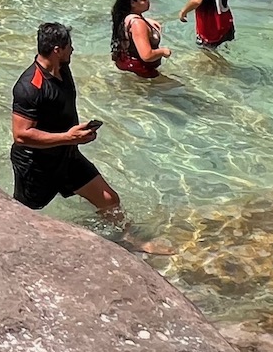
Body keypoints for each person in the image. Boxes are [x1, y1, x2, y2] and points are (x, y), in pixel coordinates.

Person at [9, 22, 169, 253]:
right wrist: (68, 136)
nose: (72, 50)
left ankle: (129, 242)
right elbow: (21, 135)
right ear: (57, 50)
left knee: (109, 199)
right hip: (36, 165)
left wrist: (75, 135)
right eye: (69, 46)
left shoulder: (63, 69)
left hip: (67, 155)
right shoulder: (29, 86)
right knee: (23, 212)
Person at [110, 0, 171, 79]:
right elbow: (147, 56)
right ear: (132, 3)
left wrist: (146, 21)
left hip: (125, 63)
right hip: (141, 70)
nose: (148, 2)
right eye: (144, 0)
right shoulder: (137, 24)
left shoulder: (124, 16)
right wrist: (163, 51)